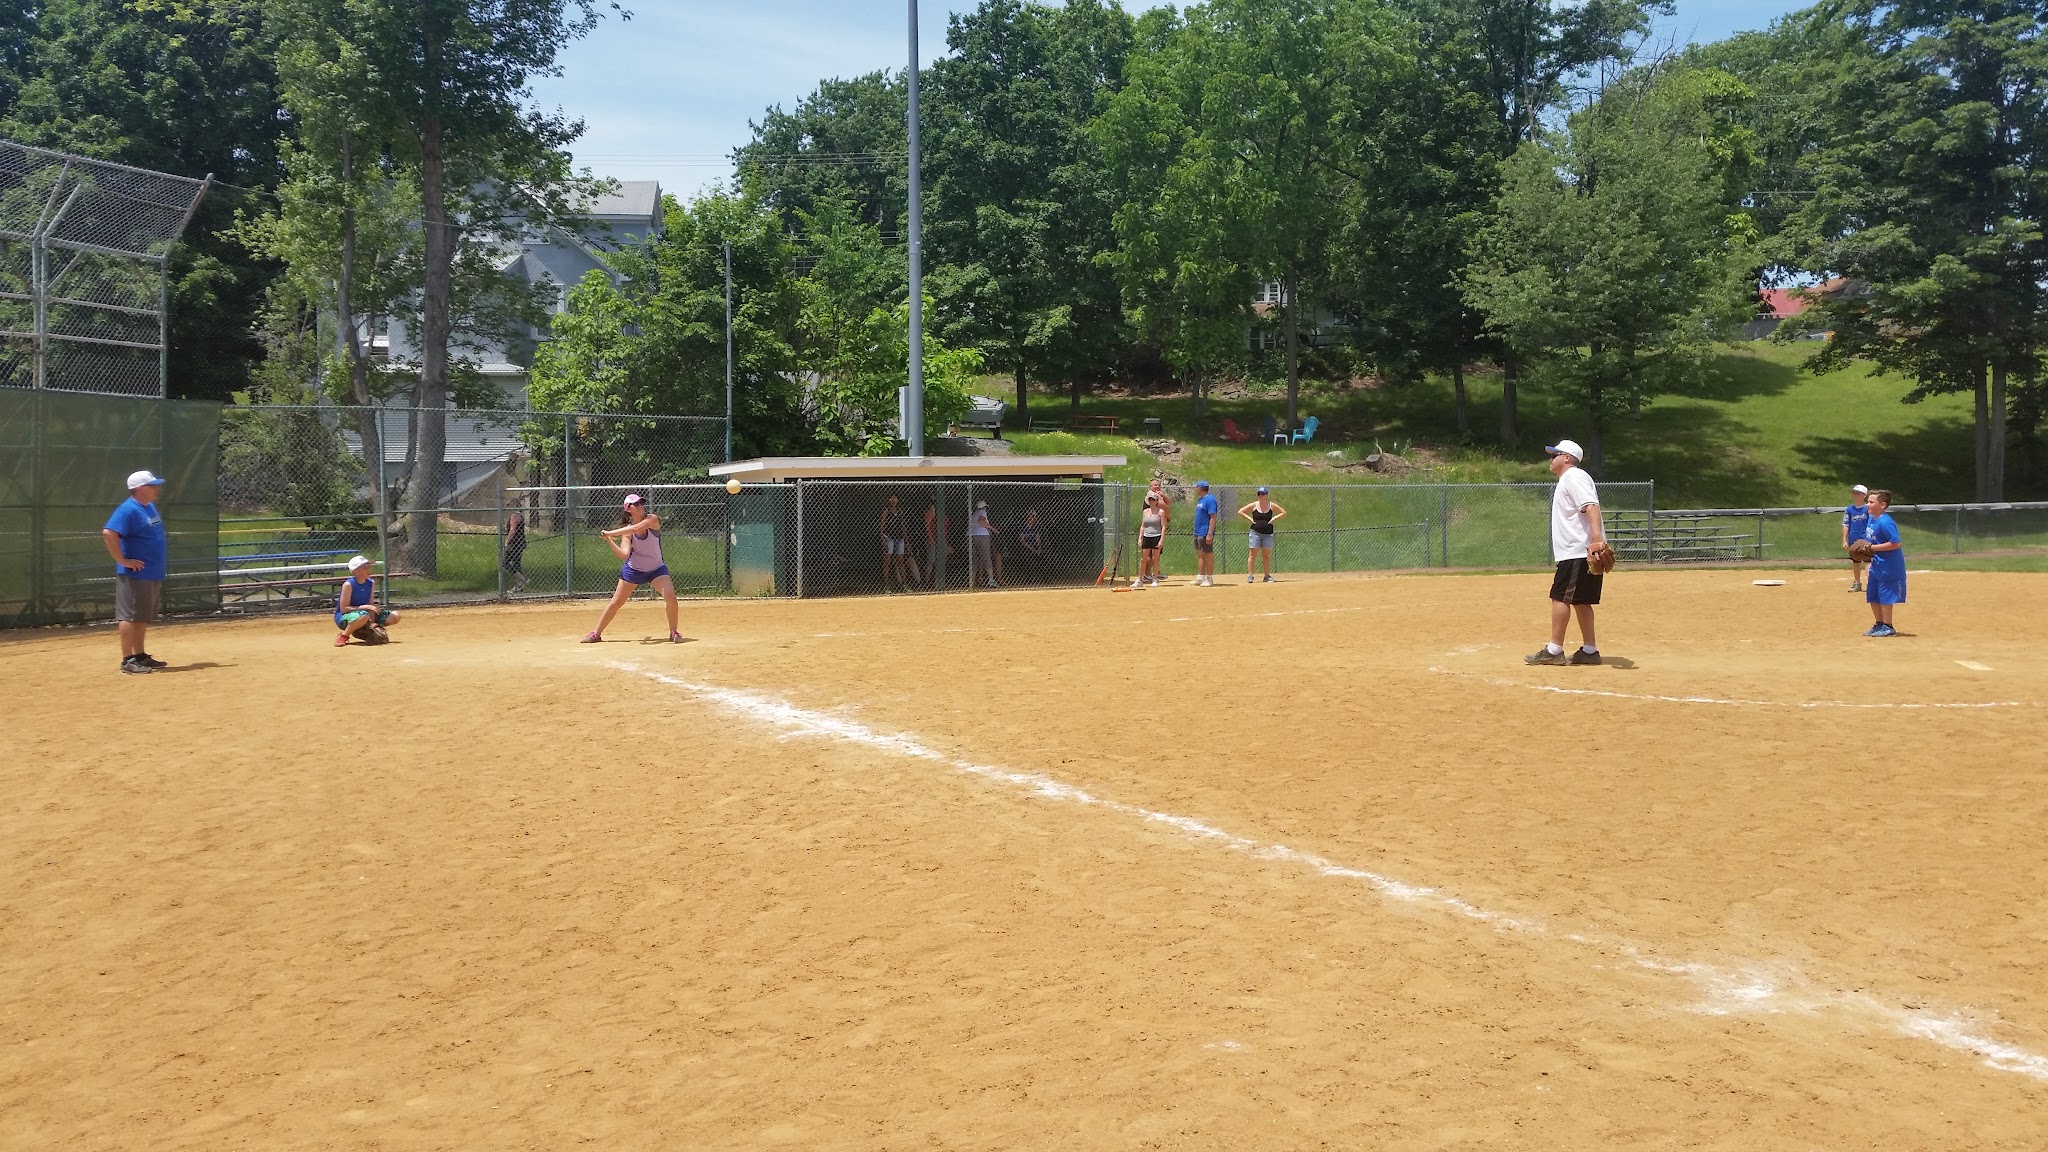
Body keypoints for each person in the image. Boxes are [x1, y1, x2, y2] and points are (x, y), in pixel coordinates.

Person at [1526, 439, 1607, 666]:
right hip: (1579, 550)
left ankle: (1554, 650)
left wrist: (1596, 539)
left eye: (1555, 455)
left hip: (1577, 551)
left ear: (1567, 458)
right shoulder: (1570, 479)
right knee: (1581, 600)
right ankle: (1589, 651)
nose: (1550, 460)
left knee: (1560, 596)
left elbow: (1590, 505)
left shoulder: (1574, 476)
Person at [582, 494, 682, 643]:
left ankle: (673, 632)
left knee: (671, 598)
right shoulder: (627, 533)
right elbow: (624, 555)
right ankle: (596, 633)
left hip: (656, 569)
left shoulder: (652, 519)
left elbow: (635, 528)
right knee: (616, 602)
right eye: (637, 504)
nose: (641, 505)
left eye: (641, 502)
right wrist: (609, 540)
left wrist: (609, 533)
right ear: (628, 509)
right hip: (633, 569)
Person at [102, 469, 169, 675]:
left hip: (151, 571)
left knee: (141, 615)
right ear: (140, 489)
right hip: (134, 573)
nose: (157, 488)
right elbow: (108, 533)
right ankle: (127, 660)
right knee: (129, 616)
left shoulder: (149, 507)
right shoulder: (128, 510)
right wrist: (123, 560)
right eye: (153, 485)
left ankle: (140, 656)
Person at [1862, 488, 1905, 637]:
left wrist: (1872, 548)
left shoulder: (1885, 522)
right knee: (1873, 594)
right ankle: (1879, 624)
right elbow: (1868, 539)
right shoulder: (1871, 519)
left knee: (1886, 595)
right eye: (1868, 501)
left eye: (1871, 502)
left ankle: (1888, 626)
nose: (1867, 504)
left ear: (1882, 505)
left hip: (1889, 565)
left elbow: (1896, 543)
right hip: (1876, 563)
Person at [333, 555, 401, 646]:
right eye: (364, 568)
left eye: (369, 567)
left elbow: (371, 604)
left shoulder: (370, 583)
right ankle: (344, 636)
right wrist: (366, 607)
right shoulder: (348, 584)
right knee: (363, 615)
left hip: (365, 615)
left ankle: (364, 631)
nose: (368, 570)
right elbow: (344, 609)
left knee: (395, 616)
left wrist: (372, 624)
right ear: (355, 571)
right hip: (344, 618)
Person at [1238, 487, 1286, 582]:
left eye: (1263, 494)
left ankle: (1267, 575)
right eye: (1259, 494)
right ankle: (1250, 575)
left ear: (1267, 495)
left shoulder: (1271, 505)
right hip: (1255, 532)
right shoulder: (1254, 505)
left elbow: (1283, 512)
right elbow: (1240, 511)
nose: (1261, 496)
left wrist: (1274, 519)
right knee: (1252, 554)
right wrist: (1250, 519)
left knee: (1266, 555)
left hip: (1268, 533)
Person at [880, 494, 918, 591]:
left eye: (895, 498)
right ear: (889, 500)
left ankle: (905, 585)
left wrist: (906, 541)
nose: (894, 500)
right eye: (892, 497)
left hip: (899, 539)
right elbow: (882, 526)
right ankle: (886, 586)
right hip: (889, 538)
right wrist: (883, 540)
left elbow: (903, 527)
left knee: (900, 561)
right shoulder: (886, 511)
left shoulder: (900, 512)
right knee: (887, 561)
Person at [1131, 492, 1166, 588]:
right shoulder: (1145, 511)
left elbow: (1163, 527)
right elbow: (1143, 526)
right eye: (1150, 500)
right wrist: (1140, 538)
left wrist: (1161, 540)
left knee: (1155, 559)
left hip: (1156, 536)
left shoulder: (1161, 512)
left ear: (1156, 501)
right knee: (1143, 559)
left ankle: (1155, 579)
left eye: (1153, 500)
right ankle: (1140, 579)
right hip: (1147, 536)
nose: (1151, 501)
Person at [1841, 483, 1871, 592]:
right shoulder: (1849, 509)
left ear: (1864, 495)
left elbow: (1873, 522)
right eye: (1854, 493)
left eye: (1858, 493)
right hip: (1853, 538)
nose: (1855, 495)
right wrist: (1844, 540)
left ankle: (1871, 583)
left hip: (1866, 539)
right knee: (1856, 561)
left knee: (1868, 561)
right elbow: (1845, 524)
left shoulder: (1868, 508)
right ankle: (1857, 583)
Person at [1191, 480, 1219, 586]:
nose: (1196, 489)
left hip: (1205, 531)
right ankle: (1201, 576)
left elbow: (1213, 518)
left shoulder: (1210, 500)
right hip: (1197, 531)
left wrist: (1209, 533)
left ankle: (1209, 578)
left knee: (1208, 554)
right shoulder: (1200, 500)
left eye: (1197, 487)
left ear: (1201, 488)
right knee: (1200, 554)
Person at [1143, 478, 1173, 580]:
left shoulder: (1158, 495)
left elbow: (1169, 502)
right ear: (1150, 487)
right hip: (1151, 528)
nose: (1157, 486)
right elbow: (1164, 506)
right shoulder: (1151, 495)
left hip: (1158, 527)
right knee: (1150, 554)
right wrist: (1168, 515)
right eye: (1154, 485)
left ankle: (1156, 572)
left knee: (1157, 552)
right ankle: (1147, 573)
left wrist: (1163, 495)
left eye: (1158, 485)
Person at [968, 500, 998, 588]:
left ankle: (972, 580)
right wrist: (992, 528)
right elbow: (981, 521)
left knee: (975, 559)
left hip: (971, 536)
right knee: (986, 557)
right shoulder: (982, 512)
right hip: (982, 535)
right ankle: (991, 580)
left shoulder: (973, 514)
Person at [502, 506, 529, 594]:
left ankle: (523, 579)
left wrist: (506, 541)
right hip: (520, 543)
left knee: (505, 563)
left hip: (514, 544)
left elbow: (512, 530)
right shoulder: (520, 516)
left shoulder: (515, 516)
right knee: (516, 564)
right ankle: (519, 586)